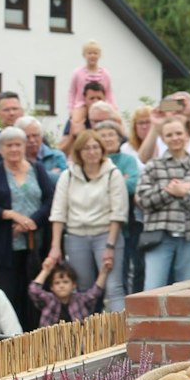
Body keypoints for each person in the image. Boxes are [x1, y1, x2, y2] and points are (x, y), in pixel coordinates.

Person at [0, 126, 54, 331]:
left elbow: (50, 200)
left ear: (24, 146)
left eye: (18, 144)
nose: (14, 149)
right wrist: (12, 215)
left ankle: (37, 336)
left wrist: (31, 222)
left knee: (35, 294)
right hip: (6, 246)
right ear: (1, 149)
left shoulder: (37, 169)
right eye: (8, 145)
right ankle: (13, 340)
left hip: (35, 246)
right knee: (10, 295)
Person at [47, 130, 128, 311]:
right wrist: (55, 246)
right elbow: (58, 212)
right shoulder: (67, 176)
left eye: (95, 147)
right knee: (83, 290)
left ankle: (124, 333)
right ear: (79, 152)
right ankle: (87, 337)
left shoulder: (112, 174)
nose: (92, 152)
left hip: (105, 235)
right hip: (76, 236)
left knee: (113, 287)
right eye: (86, 148)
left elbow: (118, 212)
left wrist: (110, 246)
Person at [135, 116, 190, 290]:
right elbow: (144, 200)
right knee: (153, 289)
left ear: (187, 136)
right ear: (162, 139)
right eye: (169, 135)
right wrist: (170, 190)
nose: (175, 138)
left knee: (187, 290)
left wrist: (184, 194)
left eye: (179, 133)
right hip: (159, 237)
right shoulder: (153, 166)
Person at [94, 118, 142, 298]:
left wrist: (104, 186)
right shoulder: (91, 161)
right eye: (103, 136)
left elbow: (131, 185)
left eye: (111, 135)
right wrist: (118, 180)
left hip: (125, 227)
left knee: (120, 276)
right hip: (96, 225)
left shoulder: (128, 160)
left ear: (119, 138)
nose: (107, 139)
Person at [29, 260, 105, 327]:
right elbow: (34, 290)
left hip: (79, 340)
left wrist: (104, 272)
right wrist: (46, 270)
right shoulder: (49, 300)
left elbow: (95, 293)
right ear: (51, 287)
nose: (61, 286)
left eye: (65, 282)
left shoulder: (80, 300)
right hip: (52, 341)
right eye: (57, 283)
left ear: (74, 285)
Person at [67, 40, 114, 110]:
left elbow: (109, 93)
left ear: (99, 55)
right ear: (84, 55)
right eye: (89, 53)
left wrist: (113, 107)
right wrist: (71, 108)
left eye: (95, 53)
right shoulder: (77, 73)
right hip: (82, 105)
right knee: (76, 120)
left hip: (101, 106)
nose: (92, 55)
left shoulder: (105, 74)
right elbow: (72, 92)